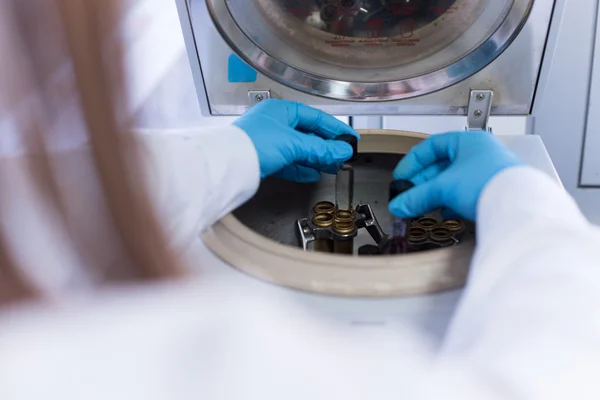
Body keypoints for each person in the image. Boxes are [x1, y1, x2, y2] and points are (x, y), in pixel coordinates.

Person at [2, 1, 600, 400]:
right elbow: (549, 376)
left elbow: (39, 210)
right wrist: (524, 204)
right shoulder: (208, 359)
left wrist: (228, 154)